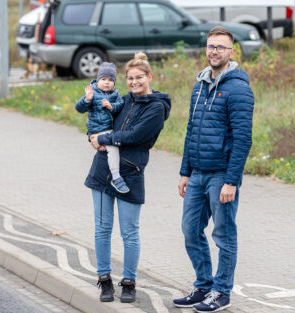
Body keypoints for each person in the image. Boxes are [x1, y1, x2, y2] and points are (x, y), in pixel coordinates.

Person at [173, 26, 254, 312]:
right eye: (210, 46)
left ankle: (222, 292)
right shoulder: (199, 85)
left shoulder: (238, 88)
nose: (214, 51)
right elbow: (191, 130)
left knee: (223, 235)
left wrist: (232, 181)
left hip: (221, 175)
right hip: (197, 174)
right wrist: (185, 171)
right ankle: (203, 286)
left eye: (220, 47)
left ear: (231, 52)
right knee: (190, 230)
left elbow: (243, 139)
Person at [85, 53, 171, 303]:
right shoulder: (123, 100)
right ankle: (104, 280)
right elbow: (100, 122)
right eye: (130, 78)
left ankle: (129, 282)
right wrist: (92, 137)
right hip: (102, 171)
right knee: (102, 228)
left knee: (129, 232)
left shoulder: (156, 108)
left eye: (139, 77)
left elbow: (135, 136)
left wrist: (104, 139)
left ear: (150, 77)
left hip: (130, 174)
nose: (134, 82)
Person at [75, 62, 128, 193]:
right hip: (97, 130)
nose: (107, 82)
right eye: (103, 79)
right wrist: (87, 99)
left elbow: (120, 106)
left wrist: (111, 106)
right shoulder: (92, 93)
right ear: (97, 80)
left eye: (110, 80)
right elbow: (79, 108)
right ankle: (116, 176)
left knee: (112, 147)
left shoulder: (115, 94)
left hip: (110, 128)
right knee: (113, 146)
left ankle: (113, 172)